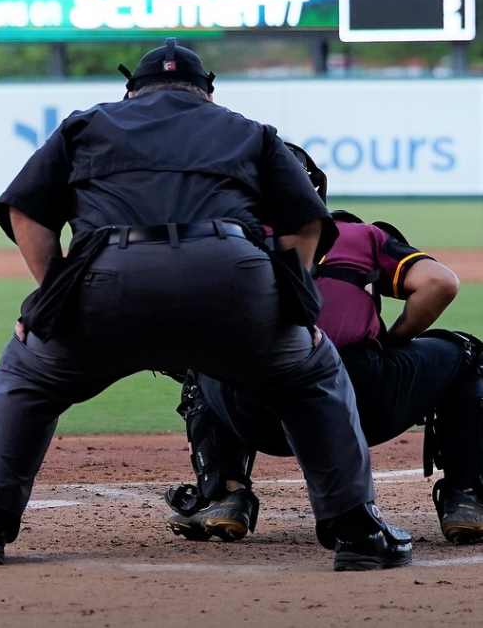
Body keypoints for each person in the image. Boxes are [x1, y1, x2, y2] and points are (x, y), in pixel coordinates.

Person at [0, 38, 411, 571]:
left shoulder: (86, 123)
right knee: (313, 375)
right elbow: (307, 220)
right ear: (206, 92)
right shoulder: (247, 129)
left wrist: (52, 298)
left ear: (130, 90)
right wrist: (295, 306)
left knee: (26, 379)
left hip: (109, 280)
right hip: (231, 279)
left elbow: (25, 210)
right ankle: (356, 529)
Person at [164, 145, 483, 547]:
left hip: (261, 413)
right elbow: (440, 283)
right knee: (464, 356)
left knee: (207, 361)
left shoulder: (226, 242)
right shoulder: (360, 235)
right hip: (361, 406)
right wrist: (389, 342)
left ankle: (226, 496)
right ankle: (465, 498)